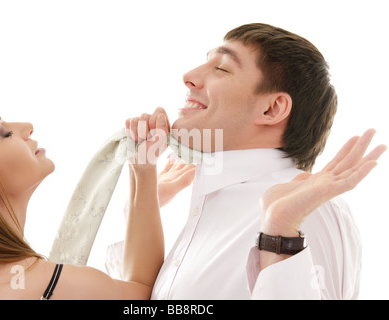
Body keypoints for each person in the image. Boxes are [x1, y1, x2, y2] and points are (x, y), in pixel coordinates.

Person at [109, 23, 387, 299]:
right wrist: (142, 189)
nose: (189, 76)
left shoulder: (308, 210)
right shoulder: (208, 202)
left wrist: (282, 235)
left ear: (271, 108)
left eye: (222, 68)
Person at [0, 97, 193, 299]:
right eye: (4, 132)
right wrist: (143, 174)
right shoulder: (43, 285)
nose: (26, 126)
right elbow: (142, 294)